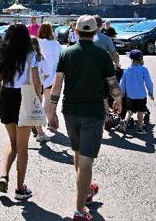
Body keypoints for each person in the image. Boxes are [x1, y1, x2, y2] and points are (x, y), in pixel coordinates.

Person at [47, 15, 122, 221]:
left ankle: (86, 190)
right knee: (87, 160)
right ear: (96, 31)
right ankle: (80, 210)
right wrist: (119, 100)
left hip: (70, 111)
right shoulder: (102, 55)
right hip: (92, 112)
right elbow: (112, 83)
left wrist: (51, 110)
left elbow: (57, 84)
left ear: (77, 32)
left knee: (78, 153)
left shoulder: (66, 53)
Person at [0, 23, 42, 201]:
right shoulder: (30, 55)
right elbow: (36, 82)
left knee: (12, 143)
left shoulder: (3, 54)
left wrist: (3, 101)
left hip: (7, 96)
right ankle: (20, 189)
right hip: (24, 95)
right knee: (23, 148)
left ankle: (3, 175)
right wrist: (37, 101)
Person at [119, 50, 154, 135]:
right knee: (140, 111)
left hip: (130, 95)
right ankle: (140, 128)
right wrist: (150, 92)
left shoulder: (127, 70)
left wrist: (122, 93)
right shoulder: (143, 69)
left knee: (130, 110)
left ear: (132, 60)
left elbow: (122, 83)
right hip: (141, 95)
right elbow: (149, 82)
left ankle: (125, 122)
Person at [36, 22, 62, 137]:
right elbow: (60, 60)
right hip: (52, 77)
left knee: (37, 101)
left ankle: (38, 123)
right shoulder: (56, 44)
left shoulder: (36, 43)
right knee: (48, 102)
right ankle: (49, 123)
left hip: (37, 77)